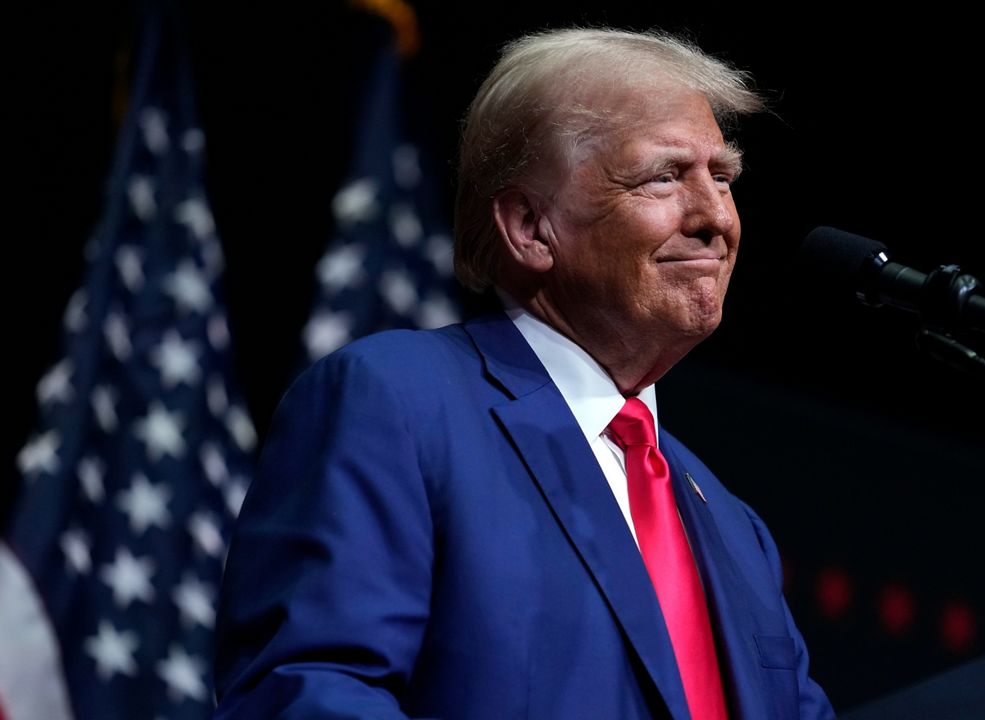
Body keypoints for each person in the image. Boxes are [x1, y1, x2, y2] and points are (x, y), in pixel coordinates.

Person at [213, 27, 835, 720]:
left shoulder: (734, 524)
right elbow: (311, 690)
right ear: (531, 227)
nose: (716, 217)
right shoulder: (399, 403)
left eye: (723, 178)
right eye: (665, 176)